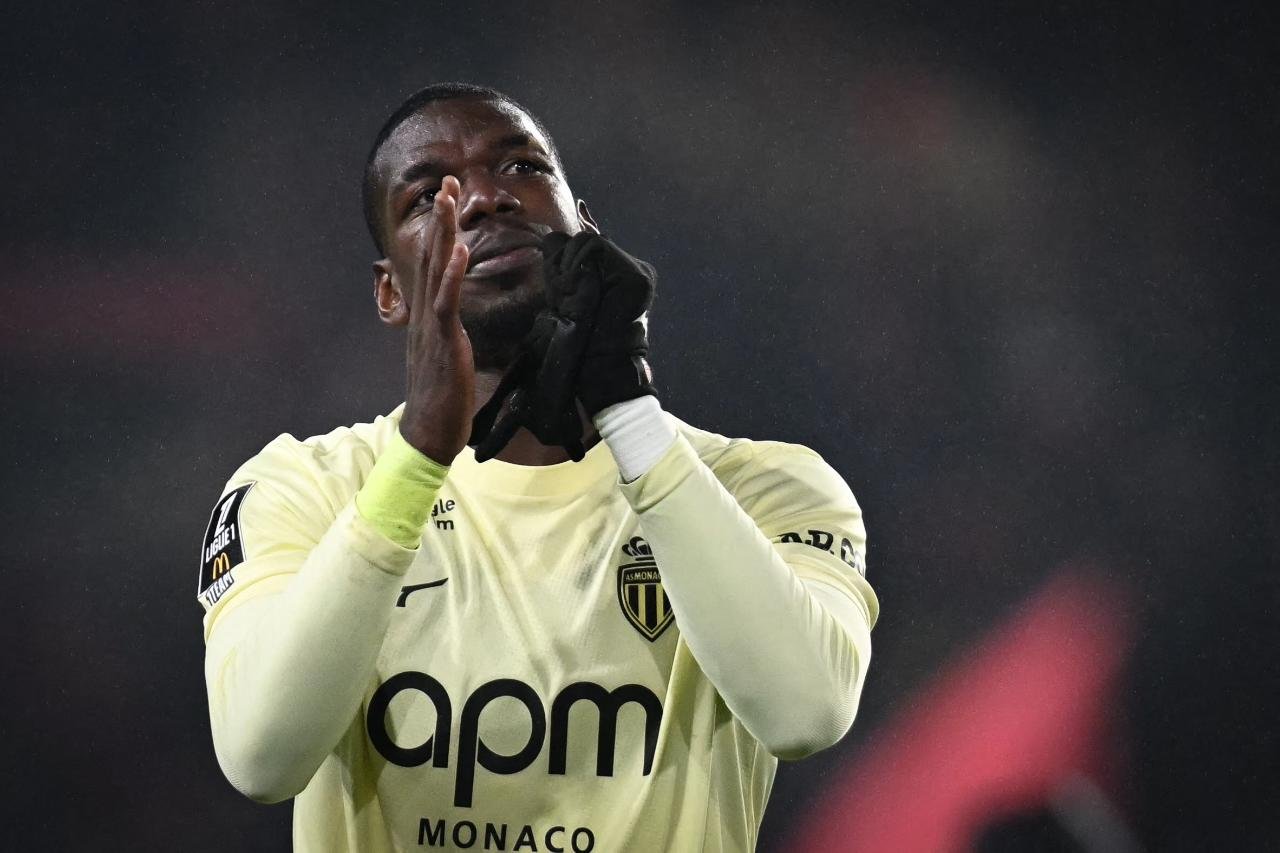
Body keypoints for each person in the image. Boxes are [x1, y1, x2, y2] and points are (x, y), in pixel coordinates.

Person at [197, 82, 879, 853]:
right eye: (430, 196)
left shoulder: (768, 488)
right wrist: (419, 458)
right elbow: (262, 756)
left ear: (583, 227)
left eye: (521, 167)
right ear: (390, 292)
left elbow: (805, 712)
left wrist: (627, 410)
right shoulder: (303, 488)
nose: (486, 198)